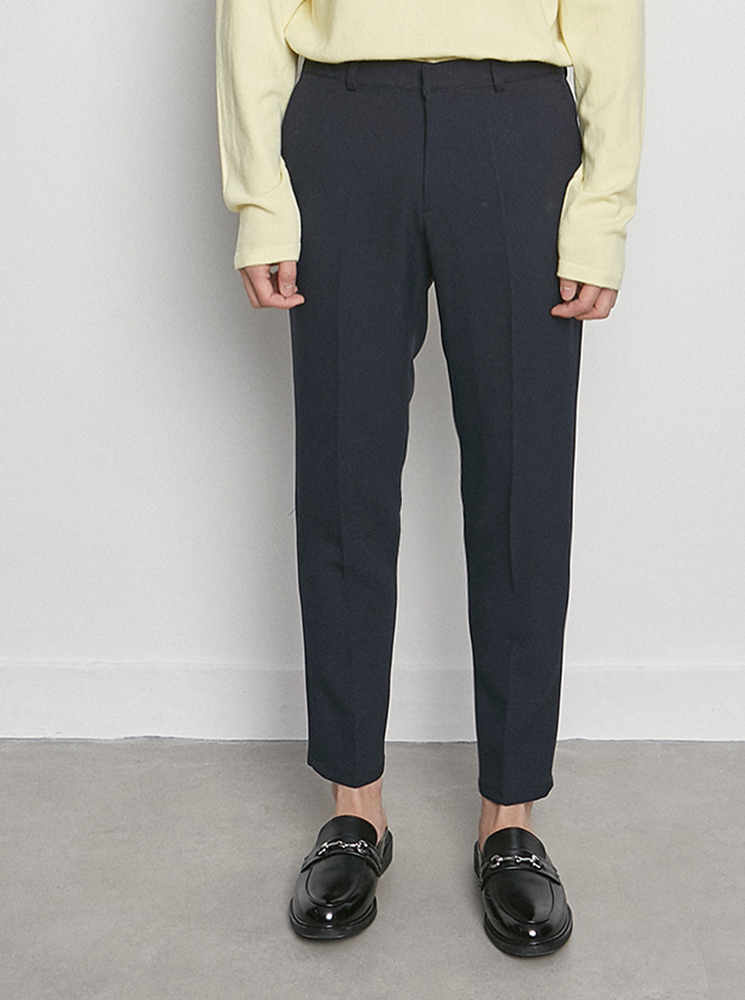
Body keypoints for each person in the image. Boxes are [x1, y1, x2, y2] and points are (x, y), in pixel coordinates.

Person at [215, 0, 644, 957]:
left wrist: (601, 213)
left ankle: (511, 820)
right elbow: (252, 11)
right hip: (343, 124)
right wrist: (261, 201)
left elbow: (609, 16)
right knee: (344, 473)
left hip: (517, 124)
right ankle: (354, 809)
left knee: (524, 485)